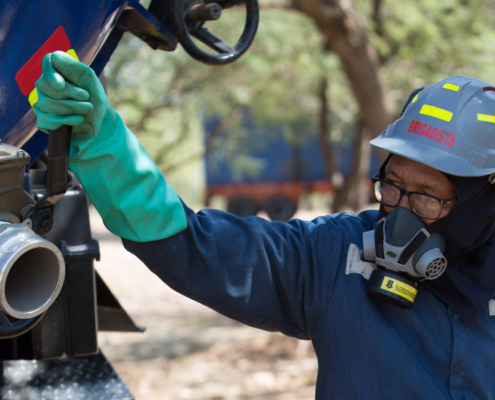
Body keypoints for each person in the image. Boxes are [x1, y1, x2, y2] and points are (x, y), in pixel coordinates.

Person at [34, 51, 495, 399]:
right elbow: (192, 244)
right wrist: (104, 147)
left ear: (482, 202)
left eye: (429, 198)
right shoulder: (339, 256)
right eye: (392, 185)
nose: (401, 212)